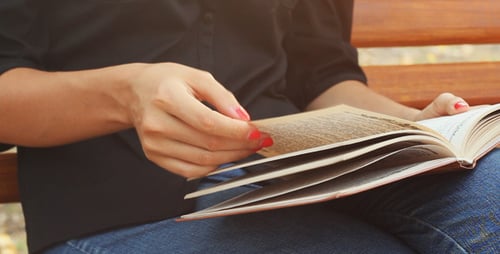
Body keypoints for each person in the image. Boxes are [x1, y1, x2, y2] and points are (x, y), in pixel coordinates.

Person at [0, 0, 498, 253]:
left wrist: (410, 127)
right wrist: (127, 93)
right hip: (131, 202)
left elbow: (321, 75)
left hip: (316, 168)